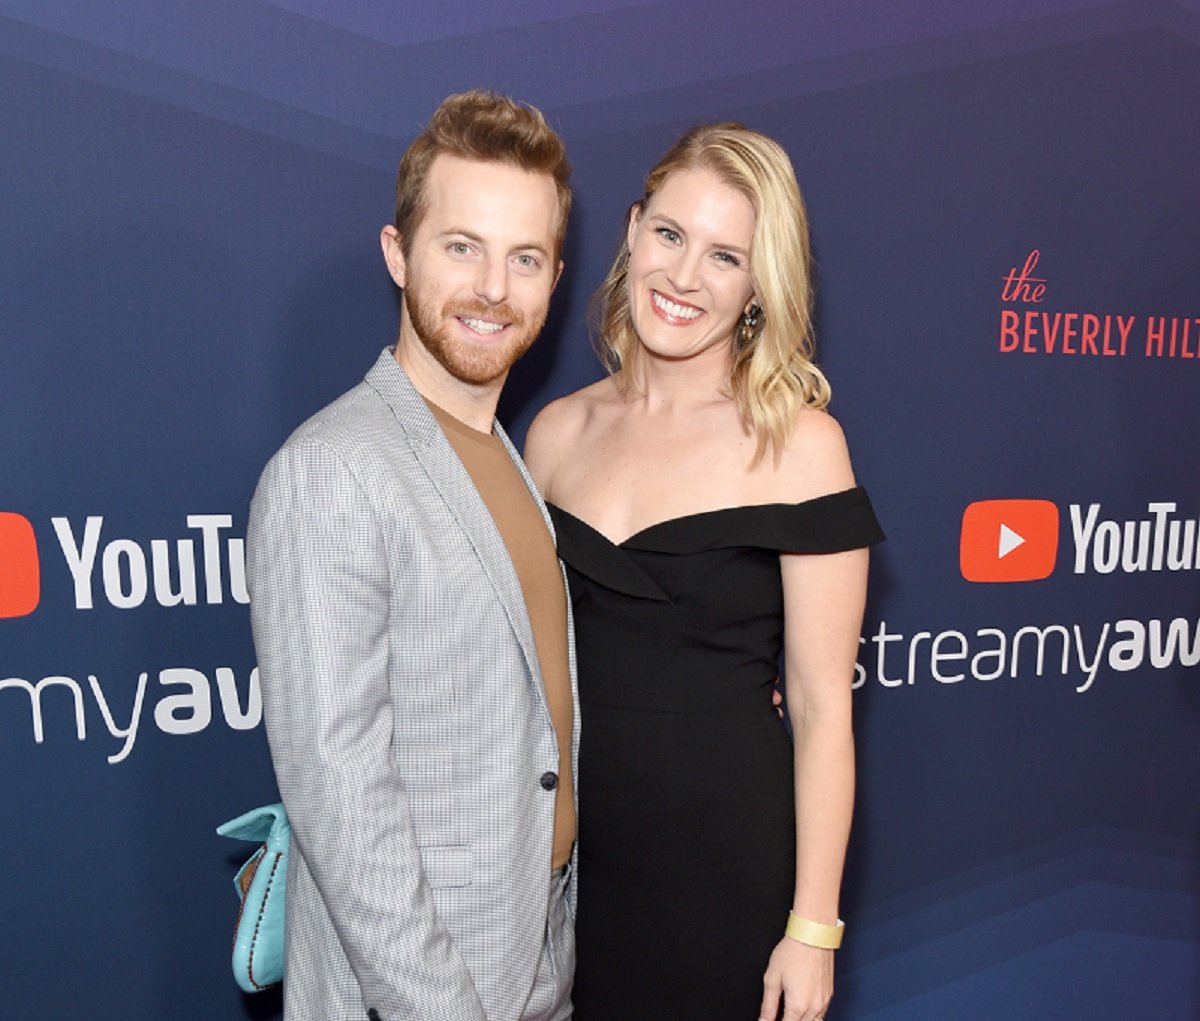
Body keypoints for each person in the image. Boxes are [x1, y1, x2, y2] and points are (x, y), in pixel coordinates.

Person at [525, 123, 883, 1021]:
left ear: (759, 285)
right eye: (671, 235)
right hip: (569, 877)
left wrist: (813, 929)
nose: (684, 277)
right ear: (634, 229)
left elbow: (819, 709)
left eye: (726, 256)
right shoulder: (555, 434)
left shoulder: (801, 447)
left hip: (726, 875)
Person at [247, 91, 577, 1021]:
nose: (491, 289)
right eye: (460, 246)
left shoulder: (512, 458)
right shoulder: (333, 469)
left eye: (524, 258)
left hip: (539, 952)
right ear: (399, 254)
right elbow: (339, 793)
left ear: (554, 277)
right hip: (421, 991)